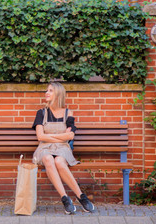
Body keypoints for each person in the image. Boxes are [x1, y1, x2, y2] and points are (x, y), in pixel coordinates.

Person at [32, 82, 95, 214]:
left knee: (59, 161)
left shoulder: (68, 113)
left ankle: (81, 196)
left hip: (62, 148)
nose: (46, 93)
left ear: (58, 94)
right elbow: (40, 137)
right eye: (46, 90)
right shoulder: (41, 113)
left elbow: (70, 135)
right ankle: (65, 198)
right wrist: (61, 136)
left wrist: (50, 136)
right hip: (44, 148)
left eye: (50, 91)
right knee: (48, 159)